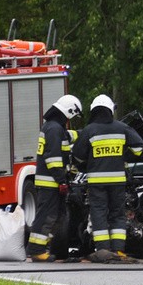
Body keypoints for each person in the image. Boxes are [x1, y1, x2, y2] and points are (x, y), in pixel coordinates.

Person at [72, 95, 143, 262]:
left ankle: (103, 250)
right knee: (118, 214)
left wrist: (88, 163)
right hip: (117, 181)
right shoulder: (122, 128)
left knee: (98, 213)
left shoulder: (89, 130)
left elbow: (77, 155)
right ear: (110, 109)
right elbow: (139, 147)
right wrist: (123, 157)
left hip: (96, 182)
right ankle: (119, 251)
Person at [27, 95, 83, 262]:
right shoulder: (54, 129)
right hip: (50, 182)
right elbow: (53, 159)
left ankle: (42, 247)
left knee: (56, 216)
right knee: (47, 216)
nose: (70, 119)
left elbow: (68, 136)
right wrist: (62, 181)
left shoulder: (54, 128)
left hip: (51, 182)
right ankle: (36, 250)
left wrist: (84, 133)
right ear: (69, 111)